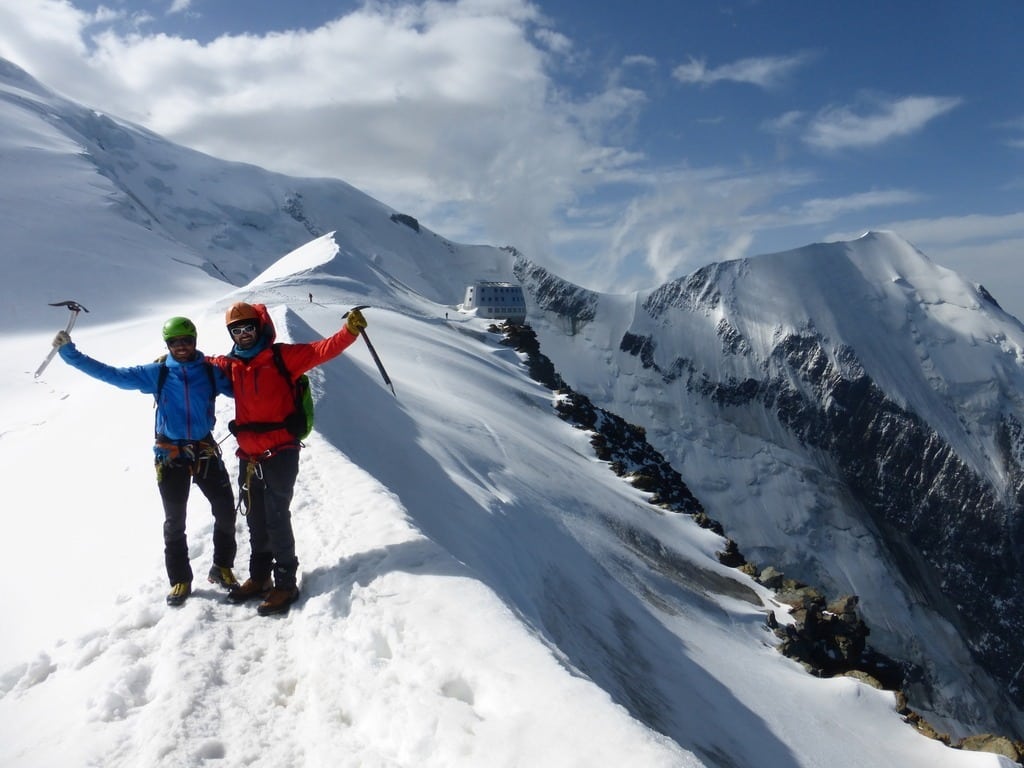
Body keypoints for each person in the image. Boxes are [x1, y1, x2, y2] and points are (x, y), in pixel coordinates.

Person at [53, 317, 239, 606]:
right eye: (174, 342)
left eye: (186, 340)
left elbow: (245, 387)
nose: (181, 346)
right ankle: (180, 579)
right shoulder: (159, 373)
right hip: (171, 455)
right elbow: (112, 375)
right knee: (175, 522)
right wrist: (69, 353)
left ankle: (222, 566)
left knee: (226, 511)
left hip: (204, 450)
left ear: (195, 340)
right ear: (168, 344)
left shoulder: (211, 372)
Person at [213, 301, 366, 616]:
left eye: (248, 328)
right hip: (249, 454)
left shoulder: (283, 357)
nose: (243, 335)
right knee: (255, 518)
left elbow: (322, 350)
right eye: (236, 330)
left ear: (259, 327)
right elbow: (200, 365)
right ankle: (259, 577)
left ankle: (285, 583)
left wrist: (349, 331)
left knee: (276, 516)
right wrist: (172, 361)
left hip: (281, 452)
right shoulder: (231, 365)